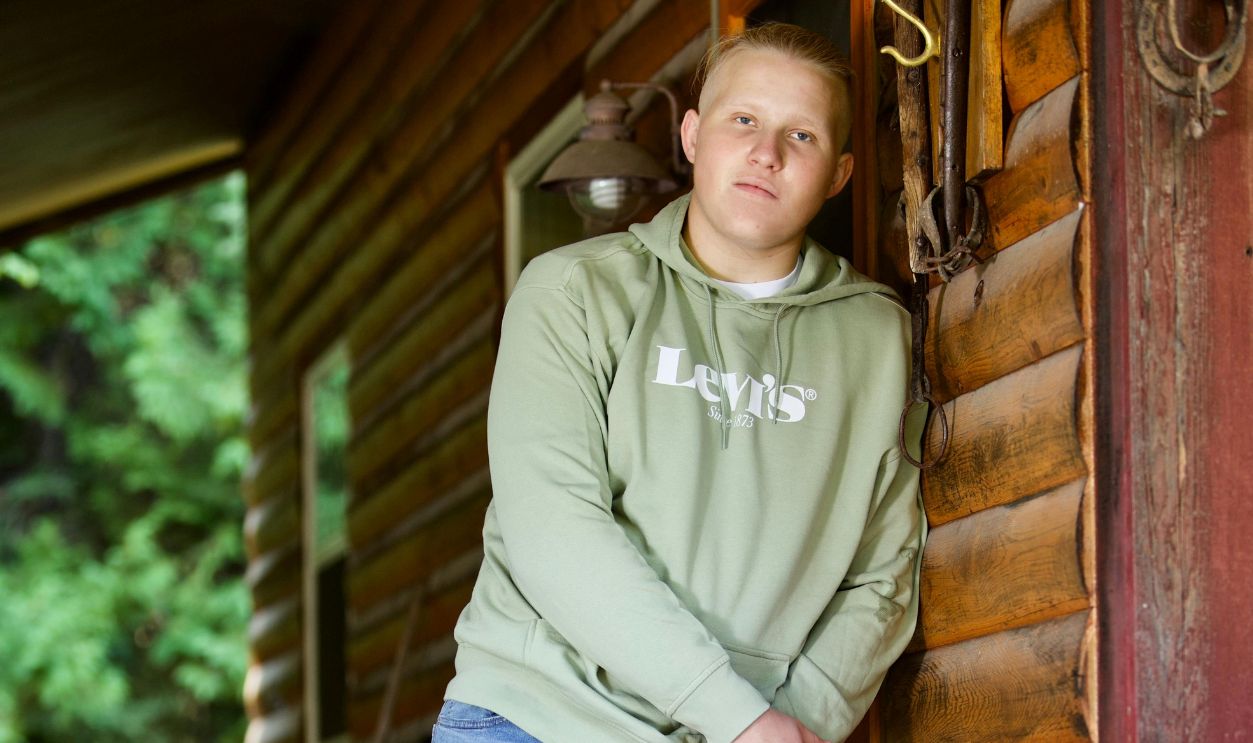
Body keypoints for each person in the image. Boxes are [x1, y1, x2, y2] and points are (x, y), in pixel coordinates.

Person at [433, 21, 926, 743]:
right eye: (744, 120)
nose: (765, 153)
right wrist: (741, 718)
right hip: (538, 716)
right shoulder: (575, 291)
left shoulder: (877, 339)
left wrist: (792, 727)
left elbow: (882, 573)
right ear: (693, 136)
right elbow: (554, 528)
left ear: (839, 175)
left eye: (802, 137)